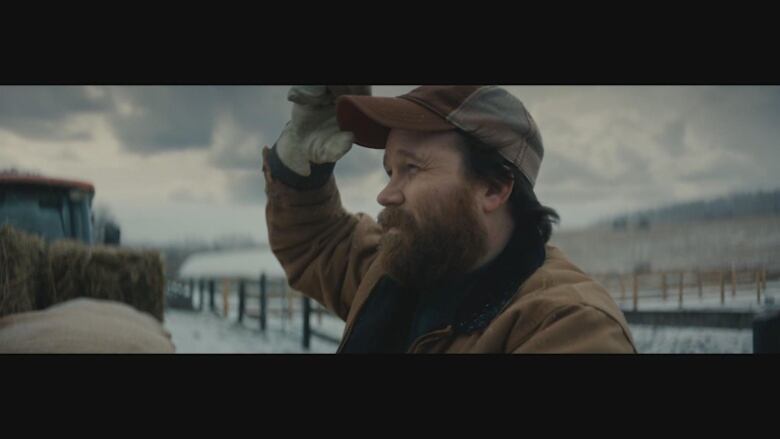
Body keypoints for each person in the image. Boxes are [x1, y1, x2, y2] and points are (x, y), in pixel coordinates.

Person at [262, 85, 636, 353]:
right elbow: (320, 243)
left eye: (412, 167)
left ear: (493, 188)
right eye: (390, 170)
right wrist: (298, 163)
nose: (386, 194)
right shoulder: (406, 265)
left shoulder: (565, 325)